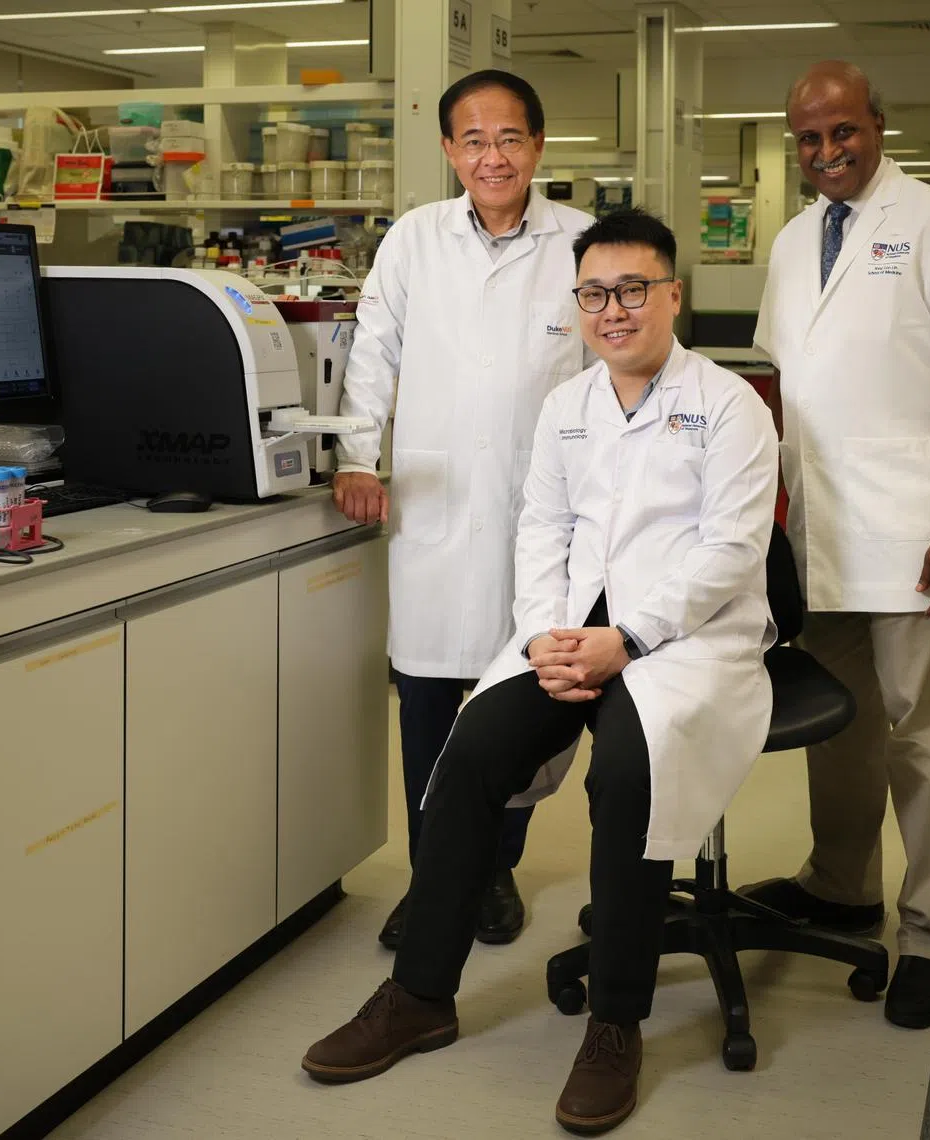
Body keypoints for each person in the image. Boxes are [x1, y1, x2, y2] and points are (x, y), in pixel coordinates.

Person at [303, 209, 778, 1134]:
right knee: (474, 746)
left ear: (672, 296)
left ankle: (615, 1022)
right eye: (595, 293)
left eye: (633, 289)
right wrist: (538, 638)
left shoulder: (730, 406)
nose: (613, 309)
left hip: (686, 639)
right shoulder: (571, 406)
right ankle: (420, 995)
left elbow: (729, 550)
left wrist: (628, 638)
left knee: (630, 774)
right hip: (570, 631)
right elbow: (543, 532)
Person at [745, 60, 930, 1029]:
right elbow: (789, 393)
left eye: (842, 132)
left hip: (912, 529)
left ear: (877, 126)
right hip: (820, 531)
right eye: (808, 139)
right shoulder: (788, 241)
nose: (826, 152)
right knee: (840, 729)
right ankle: (840, 882)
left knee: (927, 738)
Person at [333, 70, 594, 950]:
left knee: (524, 700)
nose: (492, 157)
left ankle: (496, 868)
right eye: (473, 141)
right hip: (436, 512)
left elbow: (615, 371)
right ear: (449, 151)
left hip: (545, 515)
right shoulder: (413, 240)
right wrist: (357, 457)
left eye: (509, 139)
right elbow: (373, 355)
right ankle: (435, 876)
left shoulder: (581, 244)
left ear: (538, 147)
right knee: (430, 703)